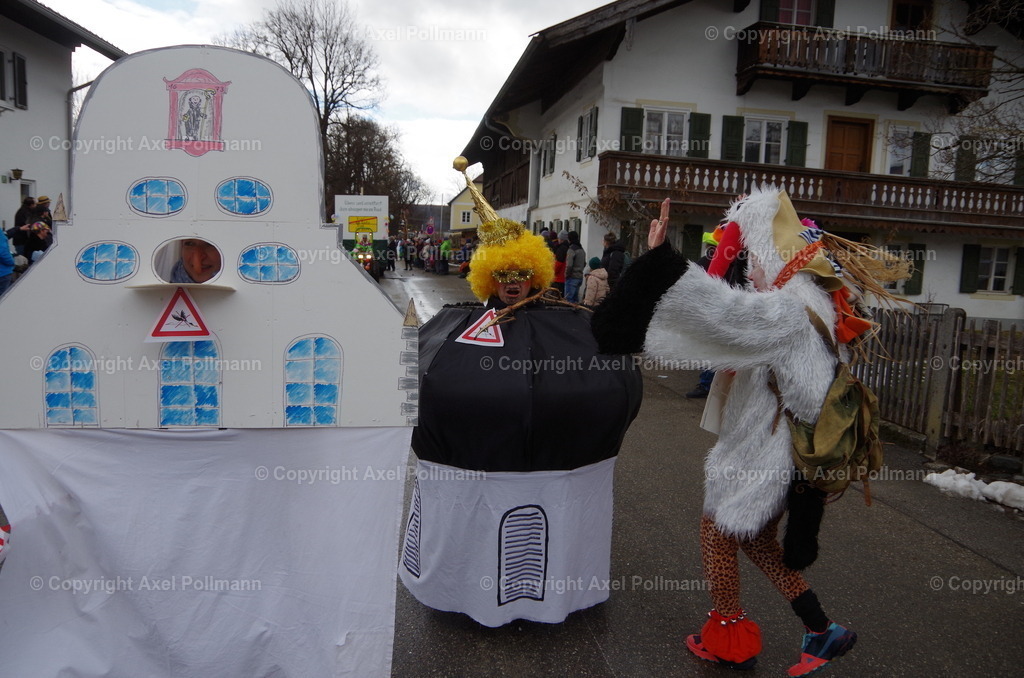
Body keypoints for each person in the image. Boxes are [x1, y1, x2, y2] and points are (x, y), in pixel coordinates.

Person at [591, 187, 907, 676]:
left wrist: (659, 263)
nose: (748, 272)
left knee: (717, 534)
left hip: (768, 458)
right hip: (783, 457)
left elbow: (722, 314)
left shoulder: (789, 310)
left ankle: (729, 640)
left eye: (753, 260)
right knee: (755, 540)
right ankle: (822, 629)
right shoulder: (814, 302)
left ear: (774, 258)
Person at [398, 157, 642, 628]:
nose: (513, 284)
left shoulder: (571, 323)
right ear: (488, 277)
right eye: (504, 275)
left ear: (536, 274)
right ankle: (465, 586)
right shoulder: (461, 325)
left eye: (521, 274)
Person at [563, 231, 586, 303]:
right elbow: (584, 263)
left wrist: (566, 275)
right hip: (579, 277)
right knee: (575, 300)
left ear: (569, 239)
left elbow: (569, 265)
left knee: (568, 301)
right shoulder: (582, 250)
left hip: (572, 278)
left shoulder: (571, 250)